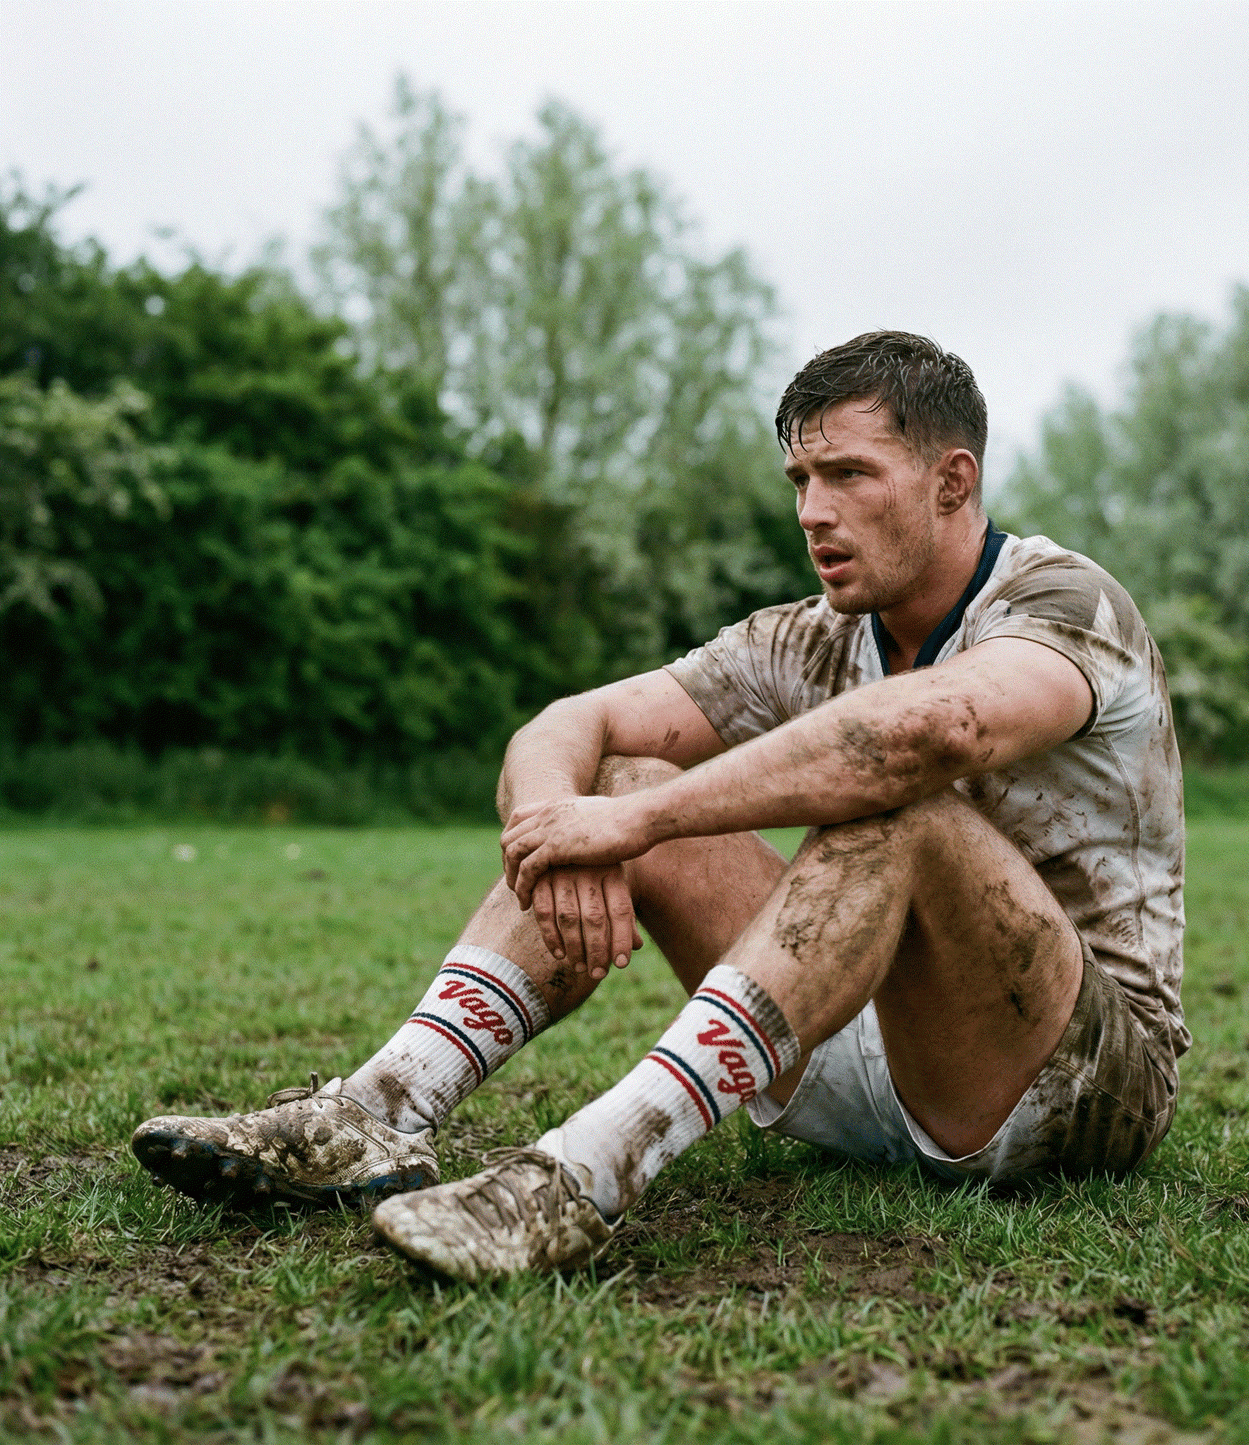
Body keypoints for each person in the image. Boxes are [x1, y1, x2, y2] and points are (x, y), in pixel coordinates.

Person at [132, 331, 1186, 1282]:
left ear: (951, 481)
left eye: (848, 474)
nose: (812, 511)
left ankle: (580, 1173)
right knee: (617, 773)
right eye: (799, 478)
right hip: (852, 1044)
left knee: (899, 806)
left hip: (1070, 1082)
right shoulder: (806, 633)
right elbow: (564, 724)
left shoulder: (1064, 605)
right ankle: (379, 1108)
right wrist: (574, 824)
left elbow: (929, 734)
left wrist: (639, 824)